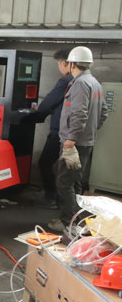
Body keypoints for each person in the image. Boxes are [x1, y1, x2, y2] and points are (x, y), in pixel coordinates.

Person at [48, 46, 108, 232]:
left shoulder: (80, 83)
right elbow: (103, 112)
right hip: (85, 142)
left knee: (64, 183)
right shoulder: (95, 83)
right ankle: (78, 220)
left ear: (72, 64)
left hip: (73, 144)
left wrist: (72, 137)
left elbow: (79, 113)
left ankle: (68, 223)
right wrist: (89, 131)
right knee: (75, 182)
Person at [30, 49, 73, 209]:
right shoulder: (89, 82)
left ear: (64, 63)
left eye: (59, 64)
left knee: (45, 163)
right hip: (77, 134)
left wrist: (38, 111)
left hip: (60, 131)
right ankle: (70, 205)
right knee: (71, 170)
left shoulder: (65, 81)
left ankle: (51, 198)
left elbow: (49, 102)